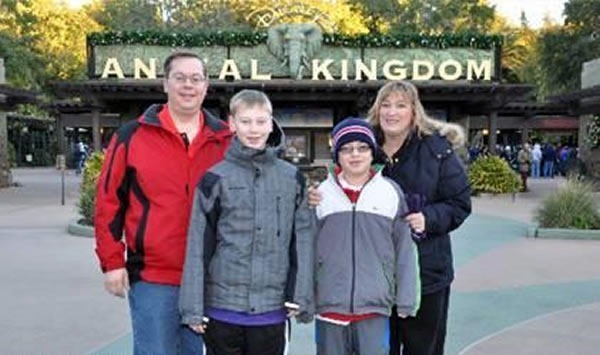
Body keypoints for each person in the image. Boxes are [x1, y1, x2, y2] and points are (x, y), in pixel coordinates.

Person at [94, 51, 232, 355]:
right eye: (179, 78)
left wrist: (307, 194)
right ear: (165, 84)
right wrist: (112, 261)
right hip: (154, 277)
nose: (188, 85)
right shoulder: (132, 136)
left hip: (213, 279)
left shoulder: (226, 139)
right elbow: (108, 201)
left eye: (196, 79)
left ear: (206, 86)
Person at [179, 89, 315, 355]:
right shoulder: (214, 179)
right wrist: (193, 307)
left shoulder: (292, 179)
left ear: (271, 122)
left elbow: (302, 240)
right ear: (232, 124)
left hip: (271, 310)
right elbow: (198, 246)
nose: (254, 129)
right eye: (246, 121)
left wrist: (300, 294)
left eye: (261, 121)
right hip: (223, 309)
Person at [366, 81, 472, 355]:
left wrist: (429, 218)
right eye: (386, 105)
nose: (392, 112)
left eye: (401, 105)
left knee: (423, 349)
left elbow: (459, 203)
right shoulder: (363, 148)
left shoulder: (436, 149)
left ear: (414, 111)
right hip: (375, 276)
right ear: (377, 111)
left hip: (425, 273)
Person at [313, 118, 420, 355]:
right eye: (346, 149)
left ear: (373, 153)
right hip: (330, 305)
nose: (355, 155)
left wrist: (406, 298)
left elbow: (403, 249)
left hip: (374, 306)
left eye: (362, 148)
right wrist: (305, 295)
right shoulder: (320, 195)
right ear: (337, 155)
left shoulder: (390, 192)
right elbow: (306, 250)